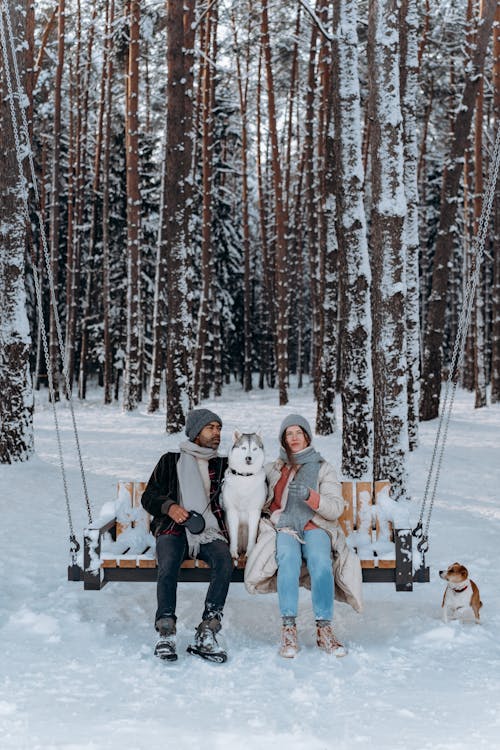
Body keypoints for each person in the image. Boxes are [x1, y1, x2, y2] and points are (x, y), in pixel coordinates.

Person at [244, 414, 363, 658]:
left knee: (321, 562)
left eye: (299, 432)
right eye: (289, 434)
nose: (294, 438)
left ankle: (324, 629)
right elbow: (245, 480)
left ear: (307, 436)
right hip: (284, 526)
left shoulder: (322, 468)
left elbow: (335, 508)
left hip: (316, 525)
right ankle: (288, 628)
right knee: (287, 560)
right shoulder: (273, 468)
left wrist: (311, 496)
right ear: (283, 439)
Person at [141, 408, 233, 663]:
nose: (217, 433)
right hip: (173, 528)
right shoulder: (170, 461)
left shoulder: (224, 464)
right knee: (168, 561)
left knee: (224, 561)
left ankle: (208, 629)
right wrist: (170, 507)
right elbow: (148, 496)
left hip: (209, 530)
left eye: (219, 428)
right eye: (210, 428)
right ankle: (166, 630)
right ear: (195, 432)